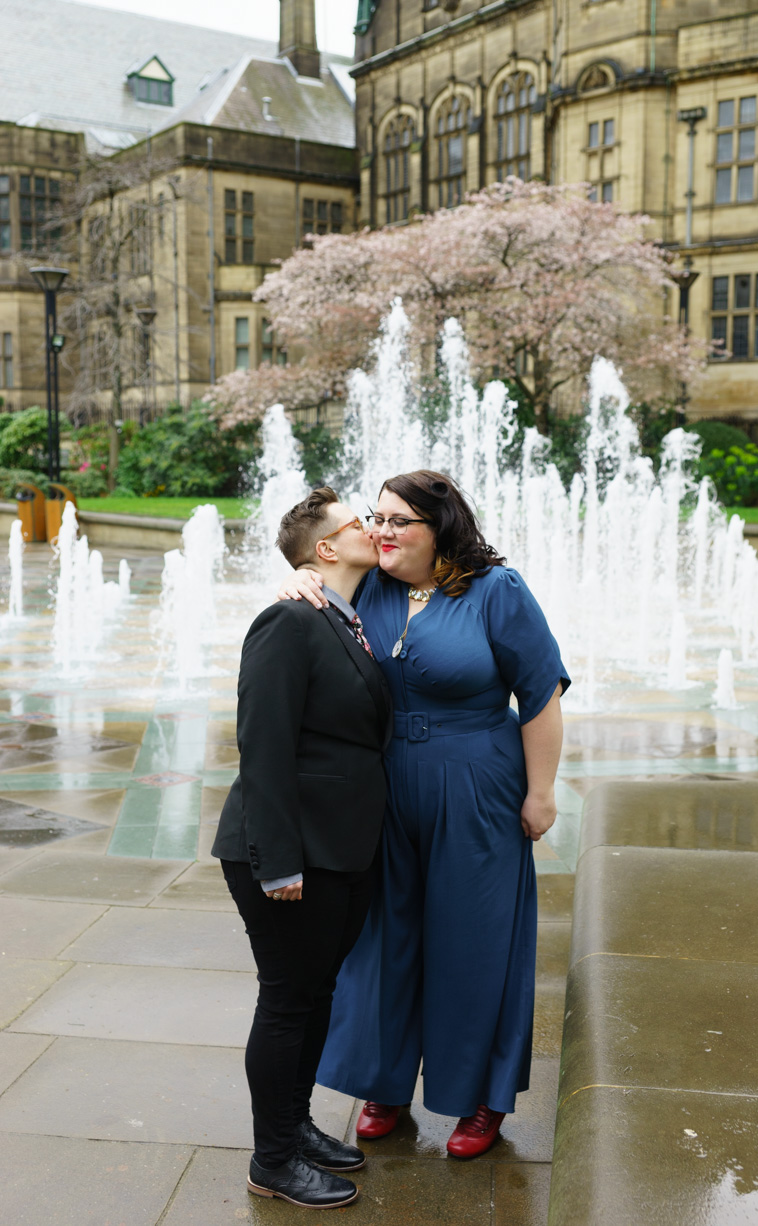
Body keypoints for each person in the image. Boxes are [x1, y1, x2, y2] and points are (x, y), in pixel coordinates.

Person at [278, 469, 569, 1159]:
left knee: (473, 943)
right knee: (380, 941)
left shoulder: (498, 591)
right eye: (375, 518)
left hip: (475, 786)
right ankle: (381, 1083)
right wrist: (291, 581)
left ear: (439, 528)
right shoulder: (366, 584)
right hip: (382, 790)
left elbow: (540, 695)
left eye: (397, 521)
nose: (379, 531)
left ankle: (480, 1098)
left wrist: (541, 791)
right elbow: (306, 591)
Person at [212, 487, 392, 1208]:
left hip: (340, 846)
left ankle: (294, 1125)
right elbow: (263, 746)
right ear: (324, 549)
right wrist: (277, 859)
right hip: (292, 851)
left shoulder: (341, 617)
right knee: (288, 1000)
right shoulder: (288, 621)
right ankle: (273, 1159)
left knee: (315, 995)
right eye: (361, 523)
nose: (376, 530)